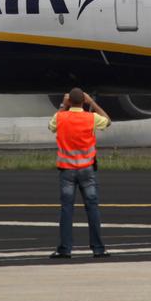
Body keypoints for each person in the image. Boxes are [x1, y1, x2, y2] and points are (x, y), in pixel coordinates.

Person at [49, 87, 111, 259]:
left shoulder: (60, 117)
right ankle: (98, 248)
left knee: (67, 209)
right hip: (87, 170)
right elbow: (108, 121)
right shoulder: (90, 118)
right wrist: (92, 103)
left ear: (70, 101)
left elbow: (50, 126)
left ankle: (65, 249)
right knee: (92, 208)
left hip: (67, 170)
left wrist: (63, 105)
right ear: (83, 101)